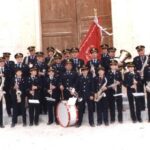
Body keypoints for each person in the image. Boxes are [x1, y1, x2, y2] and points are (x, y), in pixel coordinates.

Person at [133, 45, 146, 111]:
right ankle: (142, 106)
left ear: (144, 50)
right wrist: (137, 71)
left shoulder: (148, 58)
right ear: (138, 52)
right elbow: (133, 68)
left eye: (142, 50)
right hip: (139, 77)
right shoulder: (135, 59)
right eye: (139, 51)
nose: (141, 52)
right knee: (140, 91)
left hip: (147, 77)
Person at [0, 57, 6, 128]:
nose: (2, 63)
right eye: (0, 62)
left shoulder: (7, 69)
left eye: (3, 62)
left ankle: (1, 123)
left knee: (1, 108)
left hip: (4, 90)